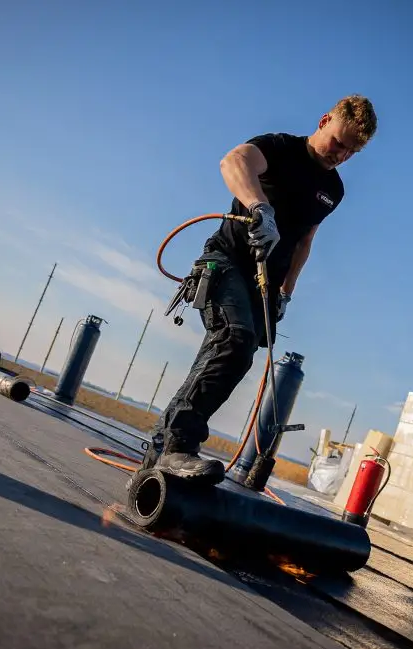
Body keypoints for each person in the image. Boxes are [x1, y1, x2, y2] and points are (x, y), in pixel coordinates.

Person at [139, 94, 378, 485]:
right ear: (324, 120)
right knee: (234, 339)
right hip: (226, 260)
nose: (341, 155)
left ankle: (159, 457)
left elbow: (305, 241)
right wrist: (259, 207)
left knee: (231, 355)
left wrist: (286, 292)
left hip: (265, 285)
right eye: (338, 142)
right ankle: (177, 446)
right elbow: (233, 161)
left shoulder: (333, 191)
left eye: (351, 152)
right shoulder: (279, 147)